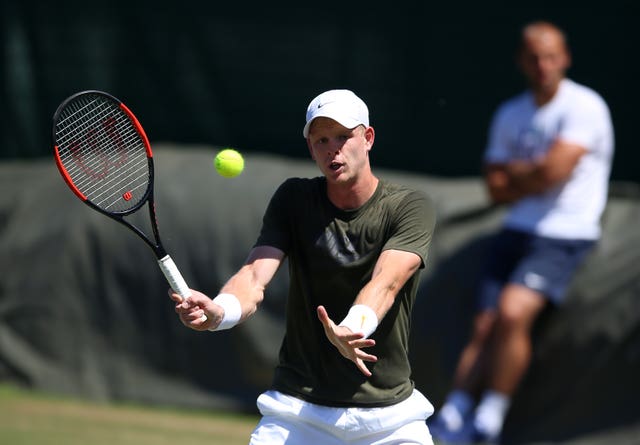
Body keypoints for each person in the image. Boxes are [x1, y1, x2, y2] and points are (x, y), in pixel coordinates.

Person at [170, 89, 438, 444]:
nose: (333, 149)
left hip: (390, 420)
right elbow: (254, 276)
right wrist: (221, 311)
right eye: (321, 140)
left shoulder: (409, 207)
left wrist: (352, 328)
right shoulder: (294, 200)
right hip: (298, 414)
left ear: (368, 138)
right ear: (311, 149)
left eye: (343, 136)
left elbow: (386, 282)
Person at [429, 21, 614, 444]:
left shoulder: (585, 106)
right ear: (521, 62)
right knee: (485, 324)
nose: (543, 65)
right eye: (534, 57)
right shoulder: (510, 112)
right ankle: (455, 415)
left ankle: (490, 419)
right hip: (515, 229)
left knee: (513, 312)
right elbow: (495, 188)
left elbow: (553, 172)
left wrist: (520, 173)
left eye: (551, 56)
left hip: (566, 233)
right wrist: (530, 174)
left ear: (564, 59)